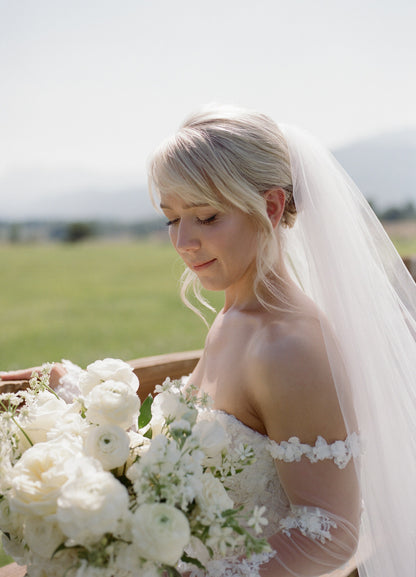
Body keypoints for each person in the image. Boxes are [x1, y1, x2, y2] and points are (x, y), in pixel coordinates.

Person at [2, 106, 415, 577]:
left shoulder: (288, 346)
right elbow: (186, 460)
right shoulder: (235, 315)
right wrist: (79, 399)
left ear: (272, 207)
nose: (184, 242)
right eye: (171, 219)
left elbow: (331, 531)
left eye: (207, 216)